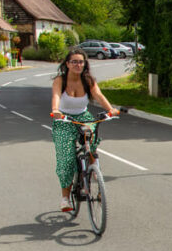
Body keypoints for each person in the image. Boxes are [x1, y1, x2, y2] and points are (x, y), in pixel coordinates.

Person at [50, 48, 120, 212]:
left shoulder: (88, 80)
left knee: (90, 144)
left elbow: (99, 96)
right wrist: (55, 110)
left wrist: (111, 110)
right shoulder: (60, 80)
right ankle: (65, 198)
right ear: (67, 64)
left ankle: (96, 176)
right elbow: (56, 96)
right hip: (64, 119)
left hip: (83, 117)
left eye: (81, 62)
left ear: (85, 64)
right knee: (66, 159)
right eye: (74, 61)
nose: (77, 65)